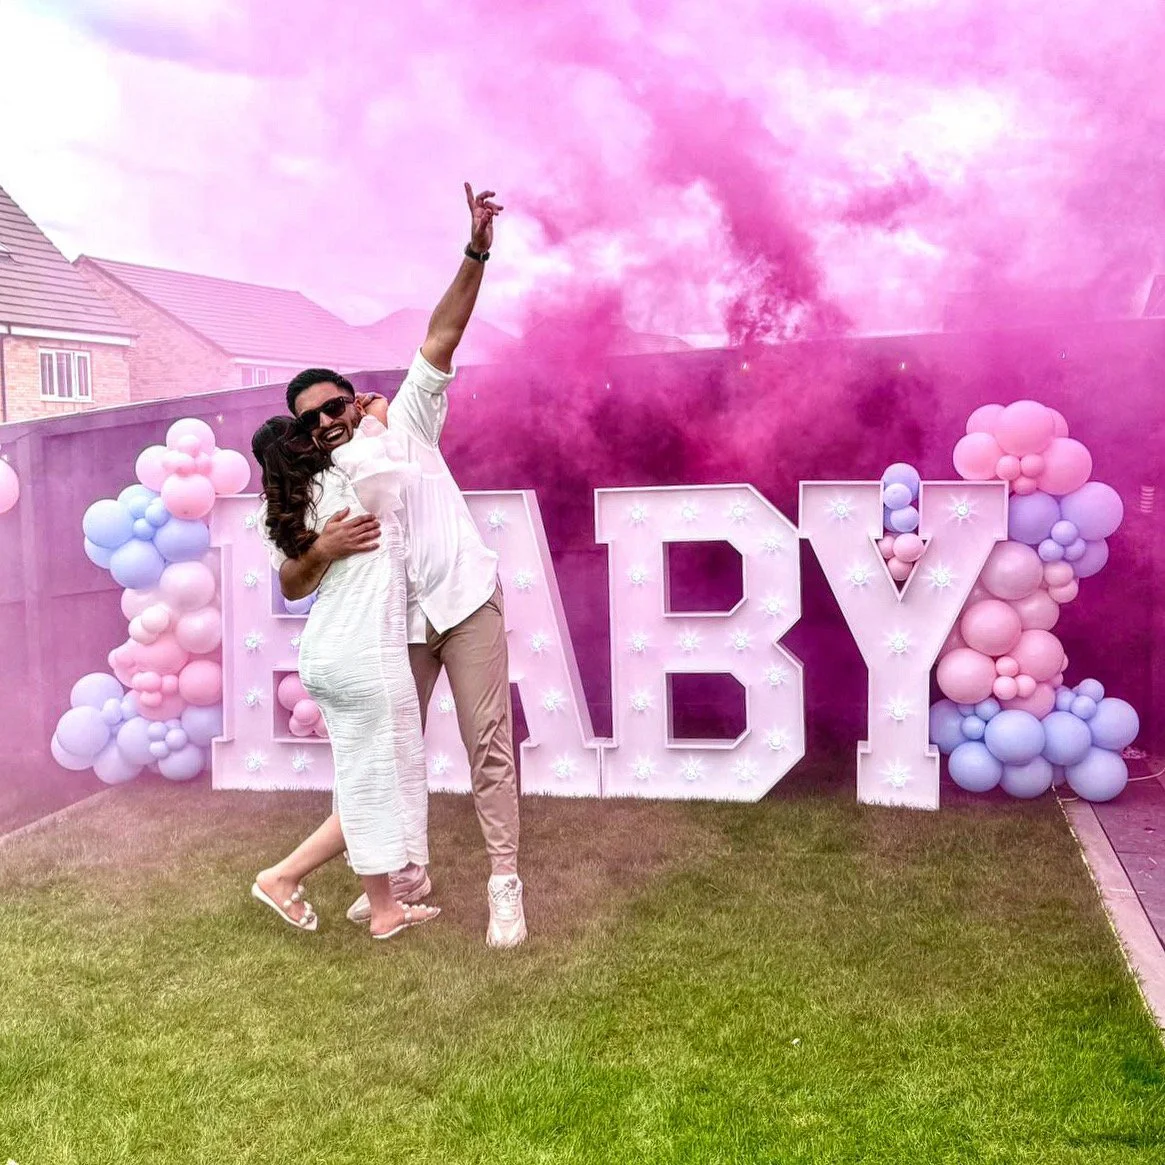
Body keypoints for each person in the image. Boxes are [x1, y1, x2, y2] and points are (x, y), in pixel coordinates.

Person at [266, 183, 527, 949]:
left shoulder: (406, 418)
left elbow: (443, 332)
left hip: (464, 599)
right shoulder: (318, 485)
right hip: (393, 629)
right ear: (306, 432)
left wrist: (476, 246)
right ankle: (401, 878)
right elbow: (291, 577)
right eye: (312, 416)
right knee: (384, 753)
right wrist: (322, 549)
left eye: (334, 404)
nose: (327, 418)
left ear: (353, 398)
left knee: (489, 747)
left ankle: (503, 882)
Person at [250, 416, 440, 941]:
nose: (325, 431)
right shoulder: (344, 481)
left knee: (368, 778)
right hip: (362, 654)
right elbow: (388, 456)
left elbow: (292, 581)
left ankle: (384, 909)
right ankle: (281, 875)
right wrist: (372, 415)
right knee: (373, 783)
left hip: (333, 651)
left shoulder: (281, 510)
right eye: (310, 429)